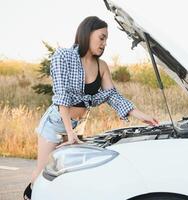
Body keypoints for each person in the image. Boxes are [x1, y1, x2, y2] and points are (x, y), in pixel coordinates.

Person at [23, 16, 159, 200]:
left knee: (65, 177)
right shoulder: (63, 56)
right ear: (88, 33)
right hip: (55, 124)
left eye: (106, 40)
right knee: (41, 175)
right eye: (101, 37)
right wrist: (69, 133)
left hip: (77, 125)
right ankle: (29, 195)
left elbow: (113, 96)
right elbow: (62, 98)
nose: (104, 43)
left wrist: (141, 115)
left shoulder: (101, 66)